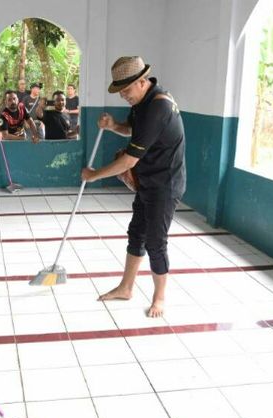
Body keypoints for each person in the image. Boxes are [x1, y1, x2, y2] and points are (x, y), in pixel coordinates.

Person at [81, 56, 186, 318]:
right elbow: (133, 131)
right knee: (136, 232)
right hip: (148, 179)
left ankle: (159, 298)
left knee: (155, 242)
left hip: (165, 184)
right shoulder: (144, 102)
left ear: (142, 82)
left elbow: (129, 159)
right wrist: (113, 125)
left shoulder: (158, 107)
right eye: (120, 92)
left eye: (126, 90)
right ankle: (126, 288)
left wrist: (94, 176)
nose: (123, 96)